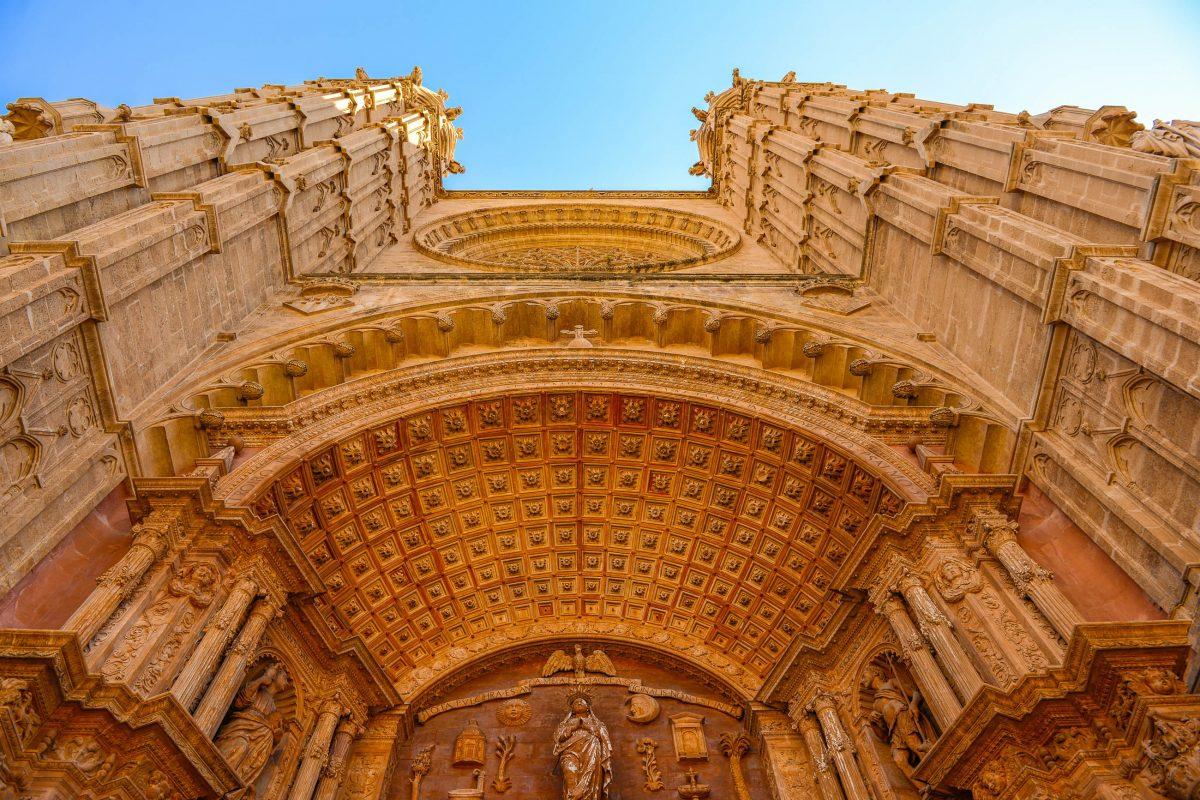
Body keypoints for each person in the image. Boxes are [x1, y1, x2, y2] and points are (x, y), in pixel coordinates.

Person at [553, 694, 613, 800]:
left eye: (582, 701)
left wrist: (587, 727)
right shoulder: (565, 724)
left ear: (588, 707)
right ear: (572, 709)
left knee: (590, 779)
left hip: (592, 753)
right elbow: (558, 738)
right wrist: (573, 728)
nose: (579, 703)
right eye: (576, 702)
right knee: (569, 772)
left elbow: (604, 739)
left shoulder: (597, 723)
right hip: (570, 753)